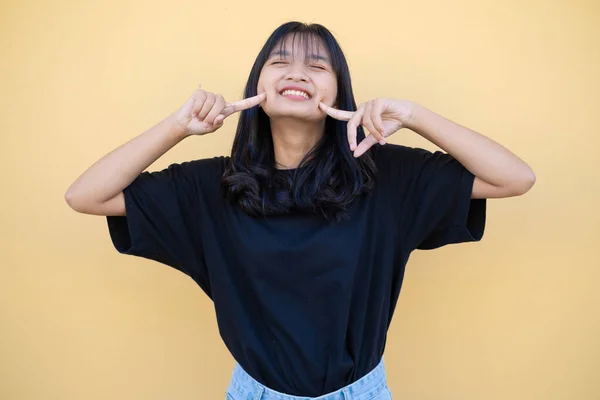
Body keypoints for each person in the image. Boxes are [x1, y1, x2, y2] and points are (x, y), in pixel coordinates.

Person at [65, 21, 535, 400]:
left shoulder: (388, 176)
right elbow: (85, 196)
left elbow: (514, 178)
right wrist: (177, 127)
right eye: (279, 61)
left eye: (317, 64)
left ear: (339, 90)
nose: (297, 72)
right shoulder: (211, 186)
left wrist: (412, 115)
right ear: (258, 85)